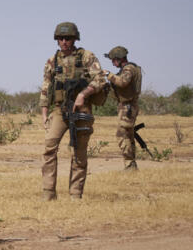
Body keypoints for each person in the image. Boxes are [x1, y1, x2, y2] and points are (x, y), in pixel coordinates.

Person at [39, 22, 106, 201]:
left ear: (74, 39)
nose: (64, 42)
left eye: (68, 38)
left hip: (81, 110)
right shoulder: (52, 61)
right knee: (49, 149)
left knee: (79, 152)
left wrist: (83, 94)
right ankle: (48, 194)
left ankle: (75, 195)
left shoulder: (86, 57)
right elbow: (46, 88)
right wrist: (44, 113)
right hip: (60, 110)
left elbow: (100, 79)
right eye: (60, 38)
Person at [104, 46, 143, 171]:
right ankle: (131, 165)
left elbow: (122, 82)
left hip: (128, 107)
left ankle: (129, 164)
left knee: (122, 135)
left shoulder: (128, 69)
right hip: (128, 106)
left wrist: (108, 75)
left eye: (113, 60)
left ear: (119, 59)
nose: (112, 62)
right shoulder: (131, 68)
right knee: (128, 135)